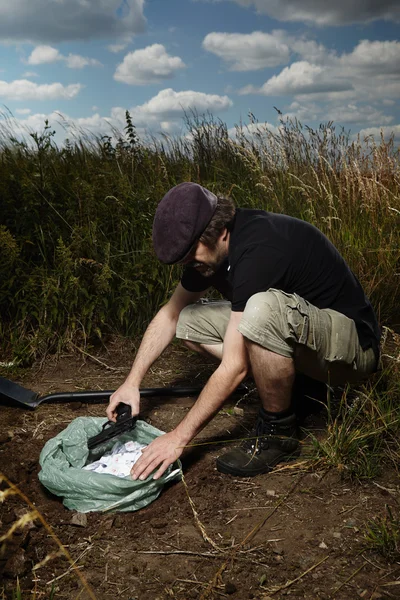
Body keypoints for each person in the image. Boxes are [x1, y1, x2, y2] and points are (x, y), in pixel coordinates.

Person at [106, 182, 381, 480]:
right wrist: (131, 382)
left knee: (260, 311)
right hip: (309, 339)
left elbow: (235, 366)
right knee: (188, 320)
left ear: (220, 231)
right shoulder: (211, 255)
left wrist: (178, 437)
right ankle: (292, 386)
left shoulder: (259, 249)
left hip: (353, 350)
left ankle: (279, 431)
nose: (187, 263)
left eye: (190, 253)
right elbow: (169, 316)